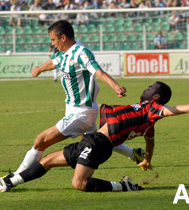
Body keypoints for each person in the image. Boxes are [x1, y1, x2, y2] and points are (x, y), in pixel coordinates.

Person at [0, 81, 189, 193]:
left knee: (79, 184)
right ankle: (7, 183)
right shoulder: (146, 118)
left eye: (149, 87)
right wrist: (146, 159)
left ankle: (123, 187)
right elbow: (150, 140)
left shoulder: (151, 109)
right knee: (47, 161)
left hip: (99, 145)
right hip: (92, 140)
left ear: (155, 96)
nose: (145, 88)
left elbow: (170, 110)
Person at [9, 20, 127, 177]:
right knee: (95, 142)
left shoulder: (81, 53)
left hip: (82, 113)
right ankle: (134, 154)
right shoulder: (63, 54)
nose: (52, 43)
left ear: (63, 37)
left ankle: (15, 177)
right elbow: (53, 63)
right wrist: (38, 70)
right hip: (75, 110)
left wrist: (115, 86)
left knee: (41, 141)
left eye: (53, 40)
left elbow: (98, 71)